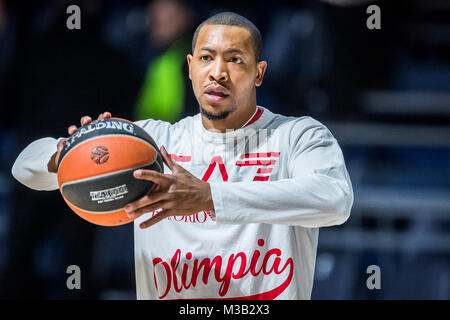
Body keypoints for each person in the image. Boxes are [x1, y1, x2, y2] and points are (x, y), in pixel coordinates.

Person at [11, 12, 353, 299]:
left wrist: (210, 197)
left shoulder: (298, 135)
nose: (217, 71)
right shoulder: (151, 141)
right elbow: (23, 167)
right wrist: (62, 156)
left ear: (259, 72)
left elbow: (335, 200)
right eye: (206, 57)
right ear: (190, 67)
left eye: (235, 59)